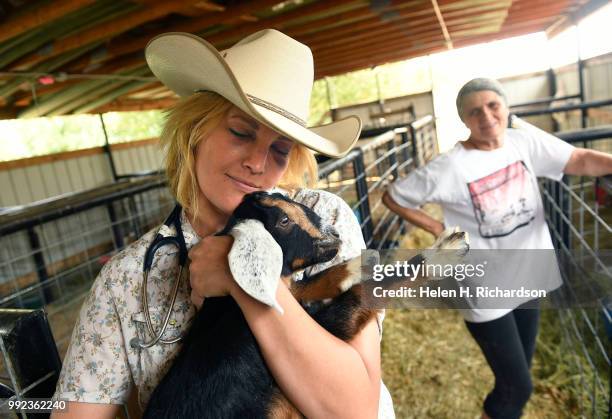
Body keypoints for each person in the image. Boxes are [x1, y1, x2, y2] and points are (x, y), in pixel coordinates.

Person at [52, 30, 395, 418]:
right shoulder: (127, 279)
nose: (258, 162)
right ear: (194, 130)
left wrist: (243, 278)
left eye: (281, 149)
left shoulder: (324, 220)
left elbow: (355, 411)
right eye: (240, 132)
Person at [383, 77, 612, 418]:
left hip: (530, 276)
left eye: (493, 105)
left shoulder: (523, 142)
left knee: (520, 373)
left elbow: (578, 159)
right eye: (474, 111)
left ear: (505, 107)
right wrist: (436, 228)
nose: (486, 116)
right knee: (517, 387)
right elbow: (393, 196)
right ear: (464, 120)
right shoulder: (449, 166)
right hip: (484, 288)